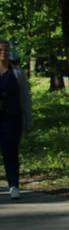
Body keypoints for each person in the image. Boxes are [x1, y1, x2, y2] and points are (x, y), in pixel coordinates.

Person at [0, 39, 31, 200]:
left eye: (6, 50)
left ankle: (13, 185)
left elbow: (25, 97)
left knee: (10, 152)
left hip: (12, 118)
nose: (3, 53)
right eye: (0, 50)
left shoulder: (17, 73)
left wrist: (28, 119)